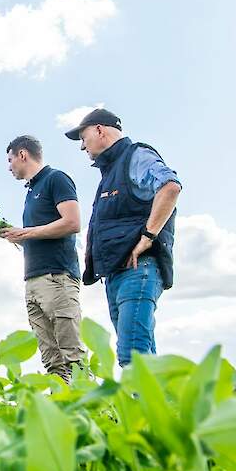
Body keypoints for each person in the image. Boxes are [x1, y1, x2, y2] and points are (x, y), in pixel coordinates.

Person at [64, 108, 182, 366]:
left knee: (133, 356)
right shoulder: (110, 171)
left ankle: (141, 406)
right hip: (116, 273)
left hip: (139, 269)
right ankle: (159, 406)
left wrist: (149, 235)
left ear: (99, 130)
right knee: (142, 355)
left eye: (83, 139)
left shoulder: (136, 156)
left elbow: (170, 187)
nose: (82, 147)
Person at [0, 135, 85, 383]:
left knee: (72, 357)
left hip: (57, 278)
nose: (9, 167)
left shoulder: (55, 179)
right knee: (52, 361)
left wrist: (25, 232)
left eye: (10, 159)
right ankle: (59, 414)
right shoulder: (31, 191)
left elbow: (72, 222)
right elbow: (41, 232)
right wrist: (18, 236)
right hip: (33, 281)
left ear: (23, 154)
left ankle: (95, 414)